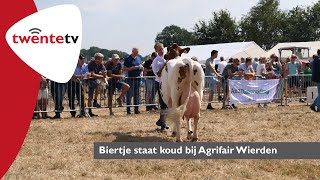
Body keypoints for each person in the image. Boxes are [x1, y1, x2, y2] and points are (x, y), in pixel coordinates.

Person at [151, 42, 169, 131]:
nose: (162, 50)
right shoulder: (156, 61)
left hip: (167, 83)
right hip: (160, 83)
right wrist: (164, 65)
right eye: (160, 49)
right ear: (156, 51)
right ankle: (163, 124)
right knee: (163, 104)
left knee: (167, 103)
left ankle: (162, 121)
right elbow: (158, 74)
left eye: (162, 48)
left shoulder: (166, 58)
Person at [123, 48, 144, 115]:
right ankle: (128, 110)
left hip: (137, 78)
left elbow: (140, 66)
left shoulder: (139, 58)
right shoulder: (127, 58)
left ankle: (136, 109)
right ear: (132, 52)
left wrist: (141, 68)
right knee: (129, 95)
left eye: (137, 52)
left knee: (137, 94)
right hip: (130, 78)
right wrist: (133, 68)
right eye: (135, 52)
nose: (136, 54)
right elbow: (124, 69)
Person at [87, 52, 107, 117]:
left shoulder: (101, 64)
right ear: (97, 59)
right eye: (101, 59)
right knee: (90, 97)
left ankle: (95, 101)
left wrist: (104, 75)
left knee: (99, 86)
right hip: (88, 81)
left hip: (94, 81)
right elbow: (93, 75)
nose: (102, 60)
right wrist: (102, 77)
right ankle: (90, 111)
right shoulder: (91, 64)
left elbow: (104, 72)